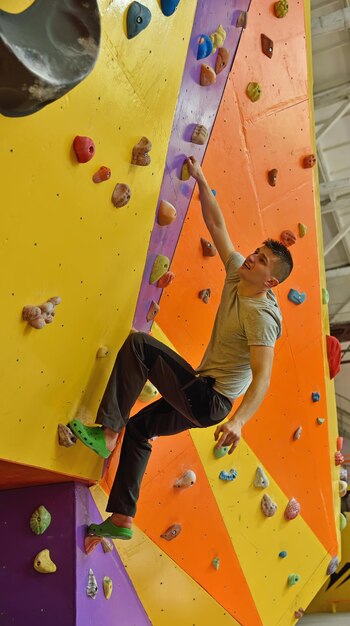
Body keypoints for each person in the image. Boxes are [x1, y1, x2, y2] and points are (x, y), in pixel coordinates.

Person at [69, 156, 293, 540]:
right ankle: (122, 520)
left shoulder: (261, 317)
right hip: (204, 397)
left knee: (139, 346)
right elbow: (218, 225)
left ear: (270, 282)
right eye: (256, 252)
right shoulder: (241, 274)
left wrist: (239, 422)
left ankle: (107, 435)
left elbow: (264, 377)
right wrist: (204, 182)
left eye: (261, 261)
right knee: (140, 429)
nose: (251, 258)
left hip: (211, 400)